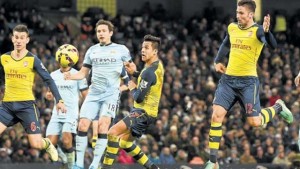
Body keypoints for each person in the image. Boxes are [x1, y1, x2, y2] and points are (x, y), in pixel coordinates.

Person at [204, 0, 293, 168]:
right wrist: (217, 61)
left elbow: (273, 46)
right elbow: (225, 43)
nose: (238, 16)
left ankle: (279, 107)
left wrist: (267, 32)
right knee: (216, 116)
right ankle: (213, 161)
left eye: (241, 13)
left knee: (255, 123)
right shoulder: (232, 27)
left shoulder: (258, 30)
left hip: (248, 83)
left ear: (251, 15)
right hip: (228, 81)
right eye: (237, 13)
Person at [64, 19, 131, 169]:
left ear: (110, 33)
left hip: (111, 95)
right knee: (82, 125)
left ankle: (95, 164)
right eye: (98, 31)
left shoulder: (121, 49)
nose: (100, 33)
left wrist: (132, 79)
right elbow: (83, 73)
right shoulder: (92, 50)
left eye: (103, 31)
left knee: (102, 126)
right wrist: (71, 76)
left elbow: (130, 68)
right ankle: (79, 164)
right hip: (93, 94)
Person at [0, 24, 66, 162]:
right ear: (12, 39)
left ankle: (47, 143)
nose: (18, 41)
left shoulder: (32, 59)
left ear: (27, 40)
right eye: (16, 37)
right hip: (7, 106)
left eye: (22, 38)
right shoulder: (4, 58)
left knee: (35, 144)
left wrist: (59, 100)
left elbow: (48, 79)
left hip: (26, 106)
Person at [101, 34, 164, 169]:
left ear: (155, 51)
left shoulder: (149, 72)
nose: (142, 50)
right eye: (142, 47)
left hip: (143, 112)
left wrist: (131, 85)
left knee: (112, 133)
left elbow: (138, 97)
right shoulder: (157, 66)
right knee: (125, 143)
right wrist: (135, 73)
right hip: (150, 113)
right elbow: (150, 80)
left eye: (147, 48)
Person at [45, 58, 89, 168]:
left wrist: (85, 114)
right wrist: (49, 95)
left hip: (71, 114)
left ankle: (71, 166)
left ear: (71, 60)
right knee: (49, 145)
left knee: (66, 140)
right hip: (57, 114)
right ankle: (64, 158)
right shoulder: (53, 75)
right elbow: (49, 92)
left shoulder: (77, 74)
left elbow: (86, 95)